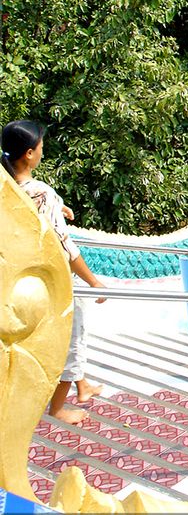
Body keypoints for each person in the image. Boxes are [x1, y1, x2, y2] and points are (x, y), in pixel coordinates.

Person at [2, 120, 106, 425]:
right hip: (56, 280)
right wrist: (93, 281)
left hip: (23, 281)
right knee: (72, 337)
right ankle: (58, 407)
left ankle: (82, 385)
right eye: (42, 146)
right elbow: (65, 246)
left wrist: (57, 209)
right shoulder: (41, 193)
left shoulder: (7, 186)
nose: (44, 150)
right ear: (30, 154)